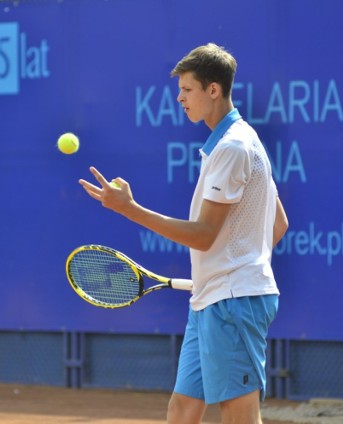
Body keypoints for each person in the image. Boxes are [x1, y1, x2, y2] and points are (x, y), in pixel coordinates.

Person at [79, 43, 289, 424]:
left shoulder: (234, 147)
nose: (179, 98)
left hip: (232, 305)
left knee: (238, 415)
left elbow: (205, 235)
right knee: (182, 410)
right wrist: (226, 268)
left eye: (187, 90)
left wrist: (130, 209)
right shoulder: (238, 141)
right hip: (211, 300)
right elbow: (278, 225)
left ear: (213, 90)